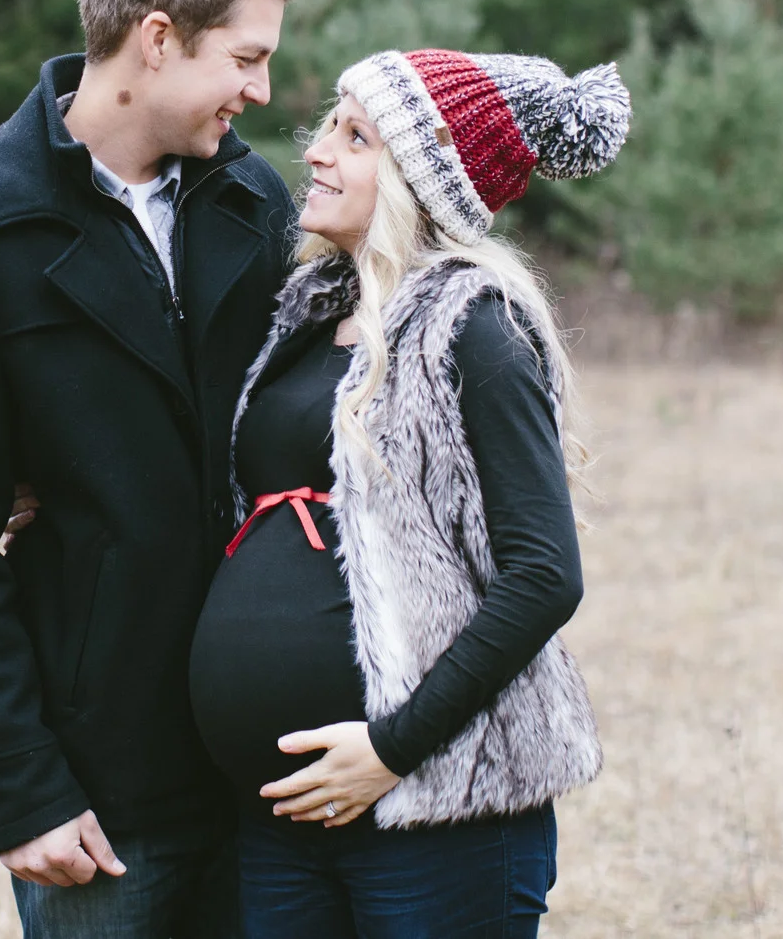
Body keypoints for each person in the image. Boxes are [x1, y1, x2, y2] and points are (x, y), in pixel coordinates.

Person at [0, 0, 309, 939]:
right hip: (106, 797)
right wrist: (20, 787)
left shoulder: (260, 208)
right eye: (245, 58)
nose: (261, 90)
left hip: (276, 767)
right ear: (157, 39)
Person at [187, 47, 630, 938]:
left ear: (421, 181)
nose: (317, 150)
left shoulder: (475, 326)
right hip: (282, 820)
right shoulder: (306, 313)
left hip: (434, 816)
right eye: (330, 125)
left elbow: (544, 573)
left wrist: (391, 748)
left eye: (357, 137)